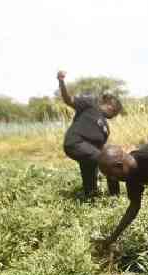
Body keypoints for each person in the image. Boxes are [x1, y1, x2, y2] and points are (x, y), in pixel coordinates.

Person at [58, 70, 123, 200]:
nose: (114, 115)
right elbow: (68, 100)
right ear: (110, 105)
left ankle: (90, 196)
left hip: (86, 149)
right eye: (115, 112)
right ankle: (115, 197)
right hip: (75, 143)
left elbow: (100, 149)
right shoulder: (90, 104)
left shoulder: (106, 129)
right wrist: (61, 81)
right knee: (108, 162)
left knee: (90, 169)